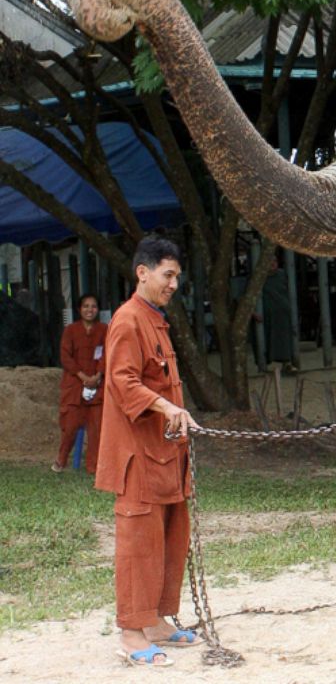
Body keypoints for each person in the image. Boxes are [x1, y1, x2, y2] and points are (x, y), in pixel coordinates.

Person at [95, 236, 201, 667]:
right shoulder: (127, 321)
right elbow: (122, 381)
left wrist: (176, 412)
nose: (174, 284)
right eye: (168, 275)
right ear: (143, 272)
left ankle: (156, 620)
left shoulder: (155, 320)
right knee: (139, 543)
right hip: (138, 459)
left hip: (167, 456)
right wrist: (166, 406)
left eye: (177, 276)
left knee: (169, 539)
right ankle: (131, 633)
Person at [53, 294, 107, 473]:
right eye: (86, 306)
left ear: (98, 310)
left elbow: (108, 354)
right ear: (79, 309)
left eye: (93, 306)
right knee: (70, 426)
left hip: (98, 386)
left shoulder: (104, 330)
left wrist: (98, 375)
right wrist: (84, 377)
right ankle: (61, 460)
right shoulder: (70, 330)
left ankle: (94, 467)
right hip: (75, 385)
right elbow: (65, 358)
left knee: (97, 429)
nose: (89, 310)